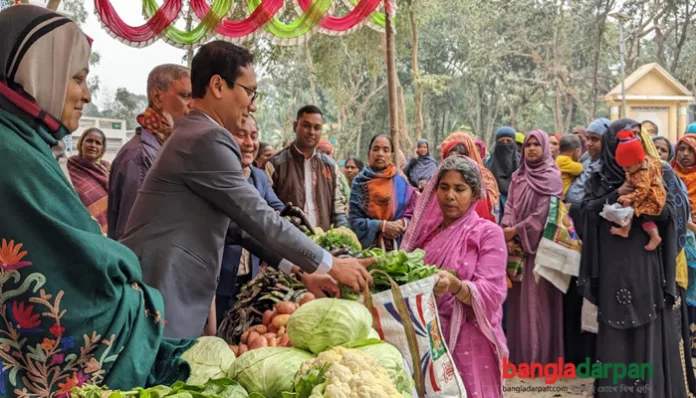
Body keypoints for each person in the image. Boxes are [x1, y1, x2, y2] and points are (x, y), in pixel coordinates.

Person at [0, 5, 194, 393]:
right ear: (38, 72)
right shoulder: (12, 154)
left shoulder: (28, 142)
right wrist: (129, 275)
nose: (87, 95)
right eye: (77, 79)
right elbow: (66, 261)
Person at [120, 42, 371, 339]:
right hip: (164, 288)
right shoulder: (207, 138)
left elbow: (239, 228)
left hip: (167, 288)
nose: (252, 104)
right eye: (249, 91)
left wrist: (304, 272)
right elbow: (258, 216)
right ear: (217, 85)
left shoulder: (193, 131)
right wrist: (330, 264)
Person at [575, 119, 690, 397]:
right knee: (613, 335)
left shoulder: (657, 172)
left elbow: (671, 216)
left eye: (638, 137)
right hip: (610, 266)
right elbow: (585, 213)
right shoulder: (597, 177)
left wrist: (641, 208)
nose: (633, 142)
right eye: (626, 138)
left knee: (647, 327)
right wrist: (617, 194)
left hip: (645, 263)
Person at [402, 156, 508, 398]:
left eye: (460, 189)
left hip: (468, 338)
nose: (450, 195)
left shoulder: (488, 233)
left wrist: (455, 285)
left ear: (473, 195)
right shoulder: (424, 235)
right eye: (444, 187)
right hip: (425, 338)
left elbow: (492, 292)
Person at [107, 64, 191, 240]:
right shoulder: (139, 156)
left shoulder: (165, 149)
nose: (192, 105)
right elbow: (133, 238)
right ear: (157, 97)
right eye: (185, 96)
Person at [502, 130, 564, 365]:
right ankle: (520, 358)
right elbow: (510, 205)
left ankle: (540, 359)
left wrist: (516, 230)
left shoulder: (552, 177)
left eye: (537, 144)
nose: (532, 149)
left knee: (540, 304)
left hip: (541, 250)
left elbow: (544, 214)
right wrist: (507, 229)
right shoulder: (518, 176)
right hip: (518, 250)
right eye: (528, 144)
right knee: (519, 304)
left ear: (546, 148)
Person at [216, 116, 285, 325]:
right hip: (218, 279)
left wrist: (276, 217)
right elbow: (235, 226)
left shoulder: (260, 177)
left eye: (254, 136)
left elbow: (278, 208)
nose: (249, 143)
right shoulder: (217, 177)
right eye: (241, 135)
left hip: (250, 278)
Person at [267, 105, 348, 231]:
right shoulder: (275, 164)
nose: (311, 132)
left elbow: (337, 208)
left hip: (323, 244)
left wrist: (343, 234)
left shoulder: (330, 166)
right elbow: (266, 206)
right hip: (288, 242)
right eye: (306, 125)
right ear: (295, 126)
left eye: (317, 128)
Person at [350, 134, 417, 249]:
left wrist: (402, 223)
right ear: (368, 154)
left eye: (385, 150)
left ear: (391, 156)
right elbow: (354, 221)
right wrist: (381, 226)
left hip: (400, 250)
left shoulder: (401, 183)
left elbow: (415, 212)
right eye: (376, 149)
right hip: (369, 251)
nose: (380, 154)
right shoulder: (360, 183)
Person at [611, 131, 666, 251]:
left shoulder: (642, 174)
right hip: (649, 194)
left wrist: (629, 197)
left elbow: (643, 191)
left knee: (640, 214)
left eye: (628, 167)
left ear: (639, 162)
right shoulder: (643, 163)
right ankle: (626, 229)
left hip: (651, 197)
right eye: (623, 167)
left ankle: (653, 235)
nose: (626, 170)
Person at [440, 131, 500, 222]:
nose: (450, 195)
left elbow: (489, 209)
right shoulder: (438, 180)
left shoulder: (483, 179)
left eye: (459, 189)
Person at [68, 127, 111, 234]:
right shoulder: (68, 168)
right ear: (81, 144)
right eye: (89, 141)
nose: (93, 145)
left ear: (102, 149)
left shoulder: (107, 169)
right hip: (82, 229)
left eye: (98, 143)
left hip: (110, 229)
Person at [565, 118, 610, 205]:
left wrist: (574, 208)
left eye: (595, 139)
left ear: (607, 141)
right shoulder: (587, 157)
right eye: (587, 138)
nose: (588, 143)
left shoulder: (610, 167)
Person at [485, 126, 520, 222]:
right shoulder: (486, 163)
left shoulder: (523, 164)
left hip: (517, 214)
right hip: (493, 213)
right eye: (501, 141)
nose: (505, 144)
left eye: (509, 141)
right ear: (496, 143)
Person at [555, 135, 583, 199]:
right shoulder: (564, 160)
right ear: (577, 151)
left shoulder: (559, 159)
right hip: (561, 196)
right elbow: (579, 169)